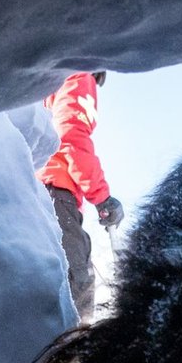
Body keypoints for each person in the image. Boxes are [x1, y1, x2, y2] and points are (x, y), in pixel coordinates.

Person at [38, 70, 124, 325]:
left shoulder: (49, 84)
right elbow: (71, 135)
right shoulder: (81, 75)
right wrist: (102, 197)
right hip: (56, 191)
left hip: (42, 189)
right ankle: (75, 361)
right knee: (78, 285)